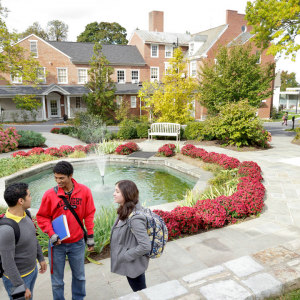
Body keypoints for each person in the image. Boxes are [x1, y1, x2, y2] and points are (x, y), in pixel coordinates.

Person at [36, 161, 96, 300]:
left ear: (71, 176)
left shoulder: (85, 191)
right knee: (57, 281)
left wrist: (90, 237)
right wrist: (51, 234)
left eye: (61, 178)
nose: (58, 181)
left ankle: (78, 298)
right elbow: (42, 217)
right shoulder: (49, 194)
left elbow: (89, 214)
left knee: (80, 277)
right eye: (56, 178)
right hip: (57, 245)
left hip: (77, 243)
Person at [0, 183, 47, 300]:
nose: (31, 198)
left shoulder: (26, 215)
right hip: (17, 280)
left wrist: (40, 258)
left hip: (32, 271)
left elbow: (33, 238)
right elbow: (7, 263)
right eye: (29, 195)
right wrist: (20, 285)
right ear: (21, 201)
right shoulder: (6, 230)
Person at [111, 180, 151, 292]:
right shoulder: (126, 210)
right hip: (131, 263)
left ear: (126, 194)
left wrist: (125, 255)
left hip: (134, 265)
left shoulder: (135, 218)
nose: (114, 194)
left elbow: (145, 246)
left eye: (117, 191)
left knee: (141, 292)